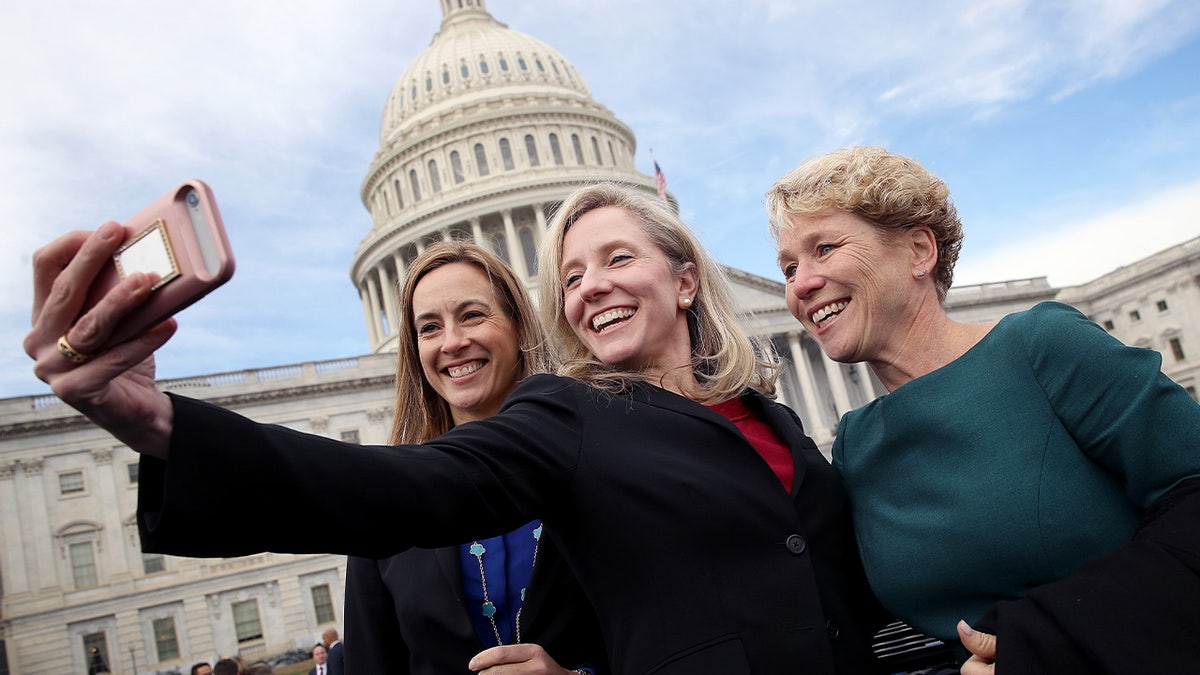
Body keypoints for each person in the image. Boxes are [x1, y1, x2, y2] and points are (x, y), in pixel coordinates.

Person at [26, 183, 888, 674]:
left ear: (687, 280)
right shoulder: (567, 416)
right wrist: (154, 419)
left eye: (617, 257)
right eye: (572, 273)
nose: (591, 284)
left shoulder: (770, 417)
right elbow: (399, 488)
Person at [765, 145, 1200, 673]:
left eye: (825, 248)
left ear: (920, 251)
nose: (800, 285)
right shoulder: (856, 441)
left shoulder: (1042, 346)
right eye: (788, 268)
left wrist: (1045, 642)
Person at [342, 242, 607, 673]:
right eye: (429, 328)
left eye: (471, 315)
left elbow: (671, 634)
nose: (453, 342)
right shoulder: (388, 506)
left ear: (520, 327)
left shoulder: (603, 468)